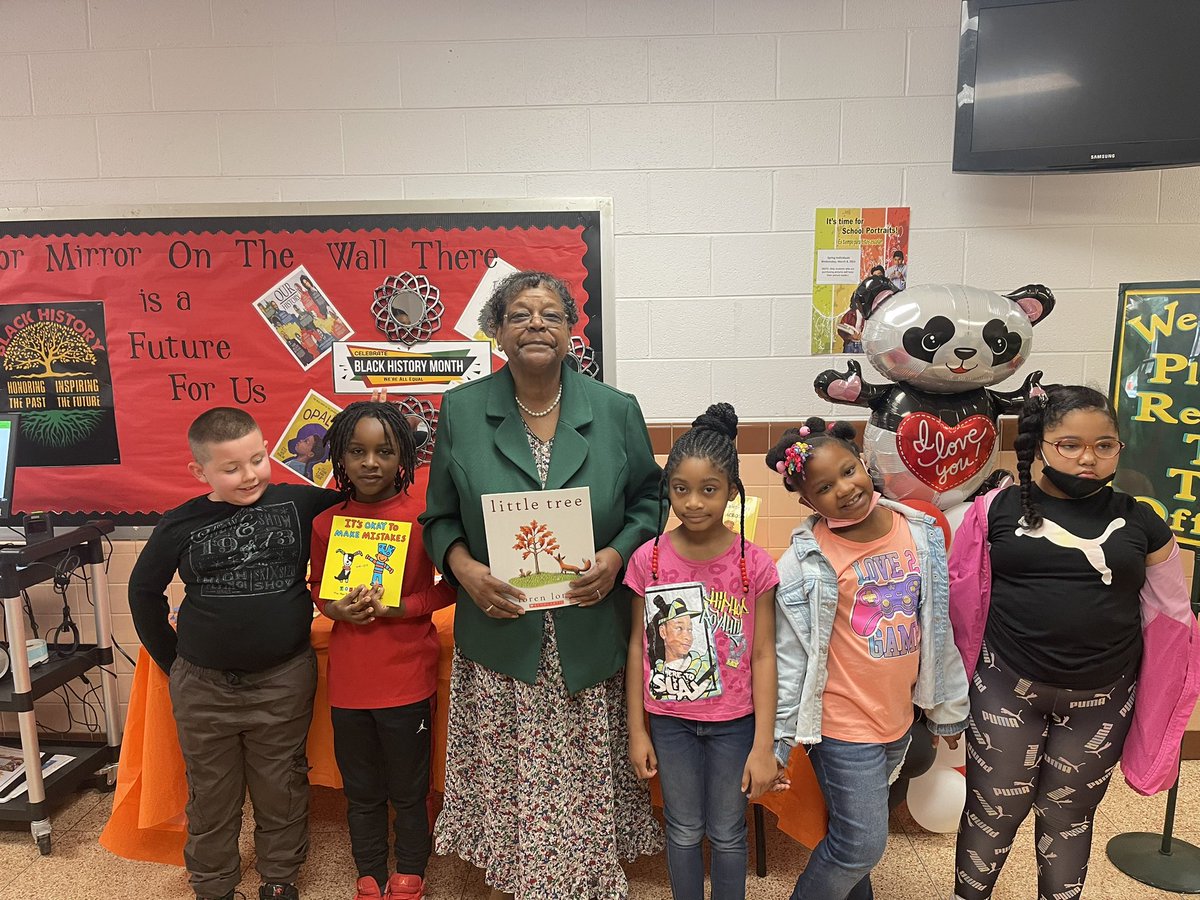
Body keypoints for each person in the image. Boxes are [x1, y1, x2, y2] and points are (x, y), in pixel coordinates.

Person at [418, 270, 663, 900]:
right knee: (513, 776)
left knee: (584, 771)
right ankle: (517, 879)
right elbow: (439, 517)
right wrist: (465, 570)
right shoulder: (462, 409)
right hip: (502, 632)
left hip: (588, 626)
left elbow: (650, 502)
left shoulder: (615, 410)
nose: (536, 326)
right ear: (497, 331)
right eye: (521, 314)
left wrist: (615, 556)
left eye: (551, 315)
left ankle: (587, 881)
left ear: (571, 331)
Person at [948, 385, 1200, 900]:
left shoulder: (1143, 521)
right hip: (1005, 688)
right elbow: (960, 603)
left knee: (1068, 819)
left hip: (1102, 700)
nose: (1089, 457)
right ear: (1041, 443)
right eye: (1070, 444)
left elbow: (1171, 620)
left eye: (1105, 445)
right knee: (992, 811)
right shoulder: (992, 511)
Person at [128, 408, 343, 900]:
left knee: (282, 785)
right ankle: (213, 882)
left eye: (258, 459)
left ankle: (280, 877)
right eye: (231, 468)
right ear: (199, 472)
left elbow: (366, 508)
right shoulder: (180, 523)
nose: (250, 476)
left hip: (283, 679)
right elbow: (143, 591)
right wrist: (174, 661)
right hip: (203, 686)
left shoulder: (301, 503)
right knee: (210, 792)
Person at [768, 418, 968, 900]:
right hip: (840, 725)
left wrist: (949, 707)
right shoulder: (802, 564)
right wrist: (778, 740)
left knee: (851, 830)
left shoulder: (918, 533)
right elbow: (790, 658)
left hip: (896, 719)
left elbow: (938, 628)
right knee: (860, 843)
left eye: (847, 471)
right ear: (807, 502)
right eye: (824, 487)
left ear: (864, 464)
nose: (844, 488)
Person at [624, 403, 783, 900]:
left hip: (735, 723)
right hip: (669, 721)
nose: (693, 503)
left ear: (732, 491)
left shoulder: (754, 565)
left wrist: (764, 746)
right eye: (681, 489)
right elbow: (636, 648)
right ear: (666, 490)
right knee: (684, 830)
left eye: (708, 490)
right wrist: (636, 730)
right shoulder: (647, 560)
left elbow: (763, 655)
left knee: (729, 833)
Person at [309, 401, 455, 900]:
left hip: (406, 677)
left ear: (403, 460)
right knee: (362, 789)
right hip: (350, 683)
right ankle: (369, 871)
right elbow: (318, 589)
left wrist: (404, 608)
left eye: (384, 452)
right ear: (341, 459)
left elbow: (451, 587)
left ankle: (411, 867)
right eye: (357, 451)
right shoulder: (328, 523)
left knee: (409, 788)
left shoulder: (424, 517)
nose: (370, 462)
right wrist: (335, 609)